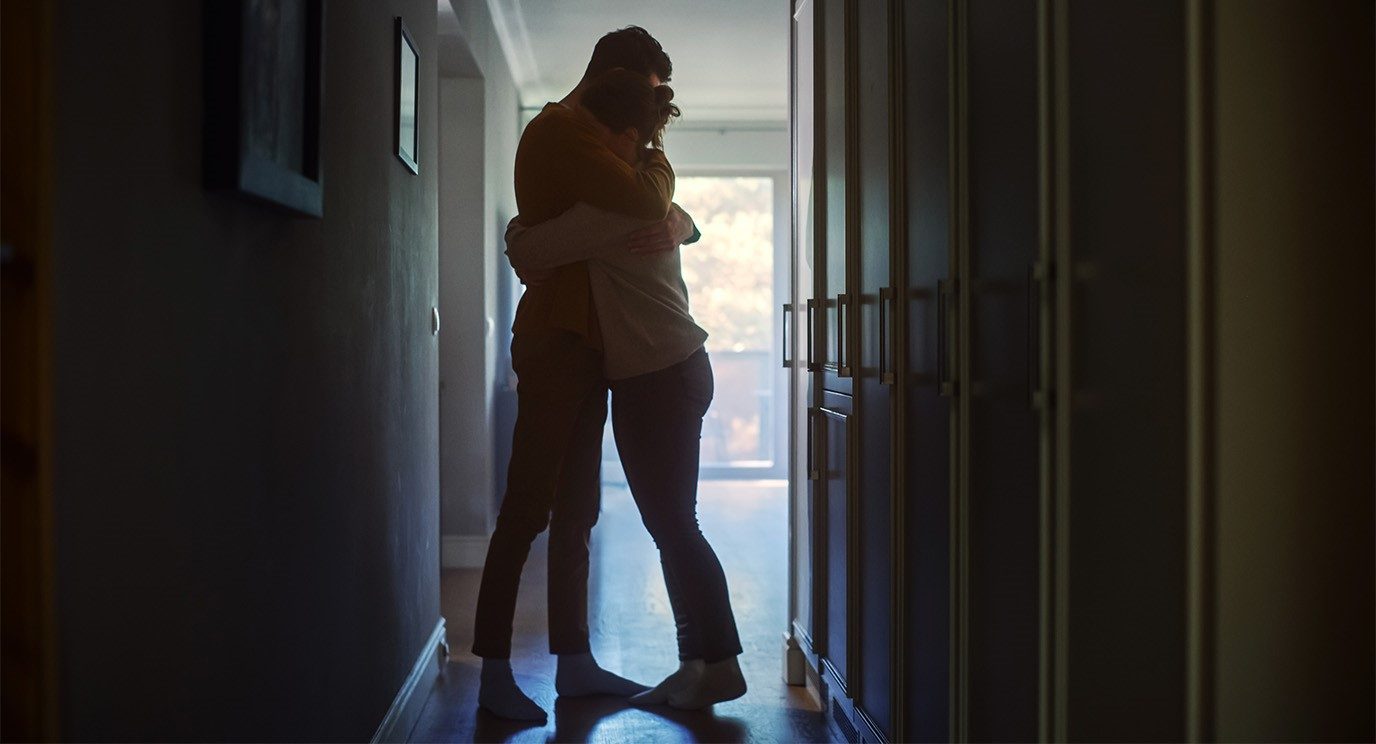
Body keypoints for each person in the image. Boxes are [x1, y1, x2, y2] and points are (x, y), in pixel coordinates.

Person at [470, 27, 701, 723]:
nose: (648, 120)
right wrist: (662, 184)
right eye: (647, 99)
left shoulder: (600, 138)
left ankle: (574, 664)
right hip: (556, 341)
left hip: (592, 341)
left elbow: (642, 217)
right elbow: (635, 206)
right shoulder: (562, 132)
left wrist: (680, 222)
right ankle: (492, 672)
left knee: (579, 510)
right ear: (617, 80)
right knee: (527, 507)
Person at [504, 70, 747, 711]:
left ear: (626, 137)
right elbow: (671, 214)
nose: (589, 157)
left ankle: (717, 663)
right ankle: (700, 663)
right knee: (672, 522)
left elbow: (528, 249)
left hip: (662, 375)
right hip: (667, 370)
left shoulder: (614, 209)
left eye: (599, 141)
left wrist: (517, 233)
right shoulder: (647, 198)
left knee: (674, 523)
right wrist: (682, 220)